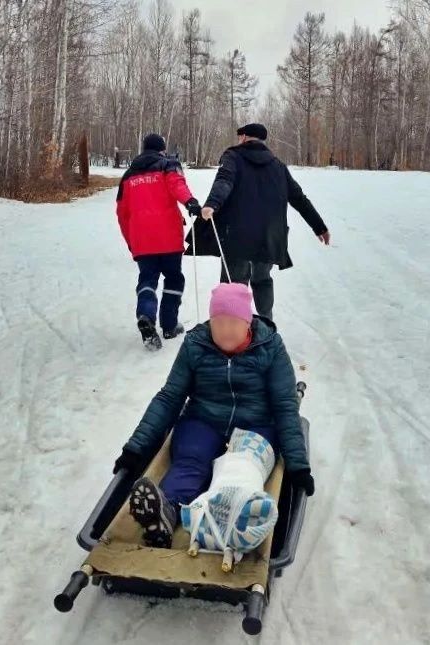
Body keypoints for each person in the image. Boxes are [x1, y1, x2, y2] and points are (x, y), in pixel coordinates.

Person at [111, 283, 315, 548]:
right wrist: (136, 448)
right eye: (219, 322)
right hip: (203, 420)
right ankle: (165, 511)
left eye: (233, 322)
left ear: (247, 323)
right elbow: (170, 397)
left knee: (242, 466)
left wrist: (297, 465)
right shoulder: (197, 344)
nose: (225, 330)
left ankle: (230, 513)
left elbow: (285, 406)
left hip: (256, 424)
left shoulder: (270, 347)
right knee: (191, 462)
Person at [190, 123, 330, 321]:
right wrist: (319, 226)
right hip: (269, 236)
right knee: (262, 280)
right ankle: (266, 324)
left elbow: (224, 179)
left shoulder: (234, 157)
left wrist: (212, 204)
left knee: (234, 286)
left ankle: (232, 330)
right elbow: (298, 198)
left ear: (244, 137)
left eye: (240, 137)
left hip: (237, 236)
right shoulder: (278, 165)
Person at [116, 133, 202, 349]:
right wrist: (190, 202)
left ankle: (146, 314)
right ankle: (169, 325)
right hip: (168, 238)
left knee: (147, 279)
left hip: (142, 240)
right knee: (173, 278)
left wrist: (130, 241)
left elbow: (121, 213)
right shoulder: (167, 165)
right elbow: (177, 186)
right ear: (162, 149)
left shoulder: (128, 175)